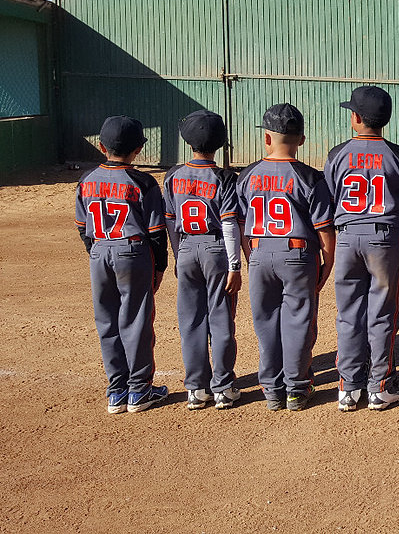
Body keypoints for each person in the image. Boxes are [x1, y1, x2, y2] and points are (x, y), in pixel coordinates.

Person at [236, 103, 336, 411]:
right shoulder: (309, 177)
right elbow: (324, 230)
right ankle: (296, 387)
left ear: (266, 138)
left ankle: (271, 388)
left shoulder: (247, 175)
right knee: (298, 320)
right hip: (297, 253)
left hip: (260, 251)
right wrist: (327, 263)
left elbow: (240, 223)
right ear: (302, 140)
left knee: (265, 320)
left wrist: (250, 255)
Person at [324, 86, 399, 412]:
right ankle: (379, 385)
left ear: (355, 118)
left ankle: (348, 388)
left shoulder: (337, 154)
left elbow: (330, 197)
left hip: (347, 236)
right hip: (383, 237)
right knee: (382, 312)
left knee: (349, 313)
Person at [75, 116, 170, 414]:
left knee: (107, 321)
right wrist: (159, 268)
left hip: (99, 251)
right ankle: (139, 389)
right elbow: (156, 231)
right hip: (133, 252)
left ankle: (116, 390)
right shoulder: (143, 182)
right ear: (139, 150)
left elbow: (82, 226)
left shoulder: (87, 180)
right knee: (137, 320)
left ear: (101, 146)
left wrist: (96, 252)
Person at [163, 110, 242, 410]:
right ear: (220, 143)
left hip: (185, 249)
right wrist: (235, 265)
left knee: (191, 321)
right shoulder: (223, 177)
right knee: (221, 319)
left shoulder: (173, 175)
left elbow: (170, 222)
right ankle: (223, 386)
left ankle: (196, 389)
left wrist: (176, 254)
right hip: (216, 250)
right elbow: (229, 224)